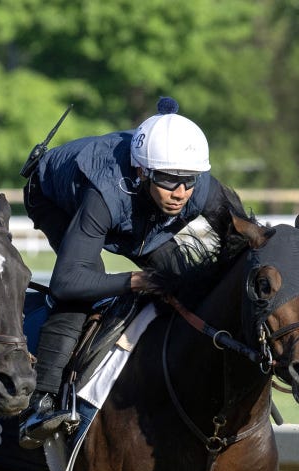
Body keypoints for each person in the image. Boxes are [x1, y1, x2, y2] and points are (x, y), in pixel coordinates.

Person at [18, 96, 244, 449]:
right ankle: (42, 402)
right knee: (84, 291)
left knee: (190, 288)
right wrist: (134, 281)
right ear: (142, 171)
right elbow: (66, 283)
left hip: (137, 207)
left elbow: (248, 234)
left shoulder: (197, 187)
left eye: (189, 181)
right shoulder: (103, 195)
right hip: (59, 202)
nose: (181, 193)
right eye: (169, 181)